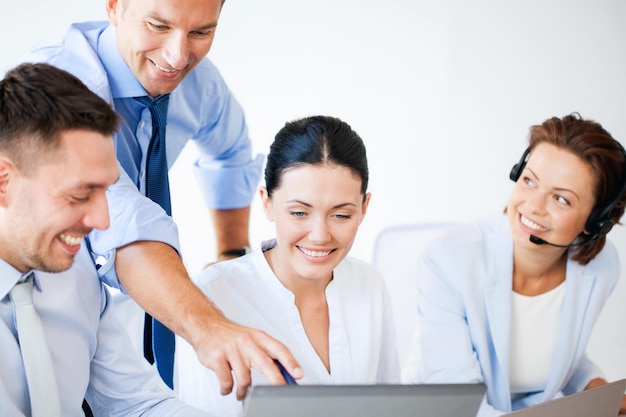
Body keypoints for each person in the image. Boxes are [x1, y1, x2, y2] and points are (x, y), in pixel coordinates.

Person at [12, 0, 301, 397]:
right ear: (114, 7)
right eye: (157, 25)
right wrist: (207, 327)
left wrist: (231, 252)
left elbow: (231, 153)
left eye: (201, 32)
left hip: (113, 326)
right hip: (38, 299)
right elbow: (121, 219)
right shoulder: (58, 84)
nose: (177, 56)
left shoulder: (199, 84)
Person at [0, 62, 213, 416]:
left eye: (105, 190)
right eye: (81, 194)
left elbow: (138, 405)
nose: (102, 221)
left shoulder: (76, 275)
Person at [175, 115, 401, 415]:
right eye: (298, 213)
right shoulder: (213, 296)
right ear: (266, 202)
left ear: (364, 208)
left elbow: (394, 407)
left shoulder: (369, 284)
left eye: (341, 215)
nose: (320, 236)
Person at [406, 113, 626, 416]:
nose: (533, 206)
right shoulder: (448, 260)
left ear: (595, 222)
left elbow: (560, 355)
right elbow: (460, 400)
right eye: (529, 181)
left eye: (561, 199)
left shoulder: (602, 266)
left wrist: (599, 391)